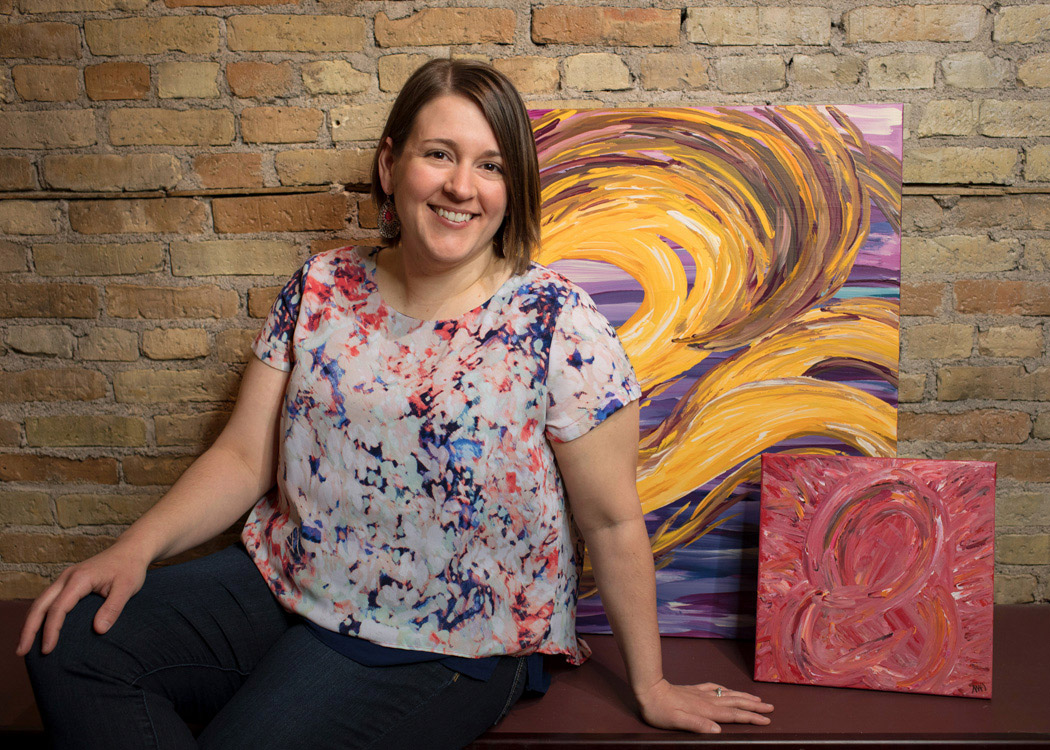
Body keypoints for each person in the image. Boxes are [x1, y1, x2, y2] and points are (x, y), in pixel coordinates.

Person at [18, 59, 774, 749]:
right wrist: (134, 548)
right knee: (72, 643)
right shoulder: (320, 286)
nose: (461, 186)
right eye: (439, 154)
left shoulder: (556, 323)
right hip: (291, 580)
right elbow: (243, 457)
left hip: (450, 635)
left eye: (490, 166)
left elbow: (610, 519)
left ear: (511, 189)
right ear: (390, 164)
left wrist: (651, 686)